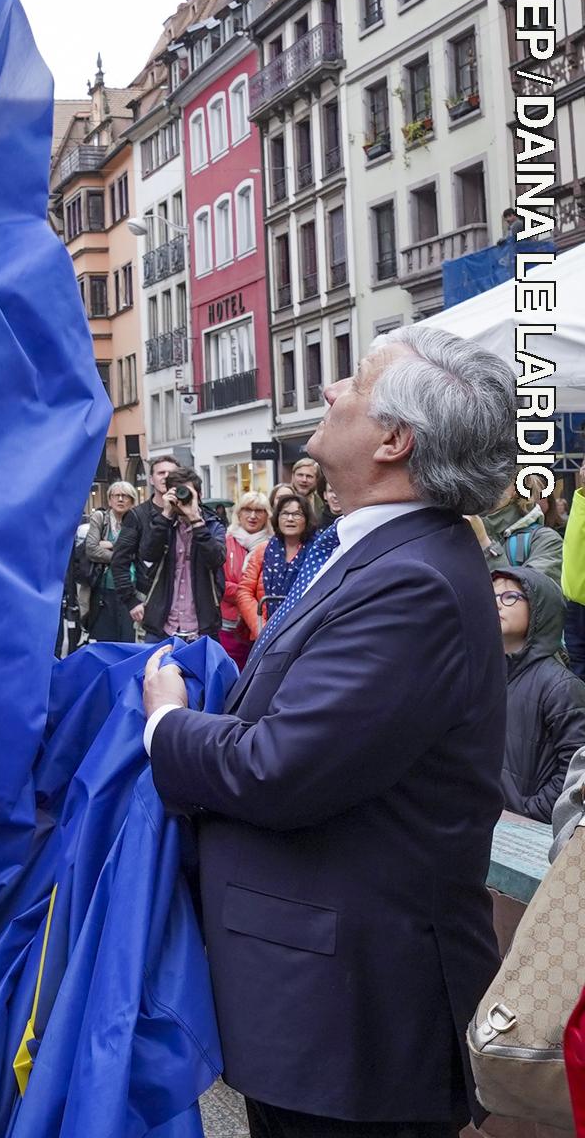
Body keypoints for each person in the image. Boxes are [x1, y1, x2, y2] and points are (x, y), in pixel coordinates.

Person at [143, 324, 514, 1136]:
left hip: (353, 1022)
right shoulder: (391, 555)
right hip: (328, 1006)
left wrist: (165, 722)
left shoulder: (411, 580)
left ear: (394, 440)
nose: (330, 390)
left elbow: (280, 766)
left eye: (353, 380)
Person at [494, 566, 585, 823]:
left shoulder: (561, 685)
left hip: (525, 827)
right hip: (477, 817)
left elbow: (575, 765)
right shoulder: (480, 670)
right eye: (491, 596)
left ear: (539, 608)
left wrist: (531, 810)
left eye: (510, 596)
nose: (497, 604)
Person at [110, 466, 225, 645]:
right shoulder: (162, 524)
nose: (182, 498)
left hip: (201, 627)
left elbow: (216, 559)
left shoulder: (212, 526)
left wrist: (195, 520)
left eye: (188, 493)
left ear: (199, 495)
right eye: (178, 492)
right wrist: (165, 515)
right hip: (162, 627)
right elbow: (148, 554)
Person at [237, 487, 318, 641]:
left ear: (307, 519)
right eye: (285, 513)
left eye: (297, 514)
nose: (290, 519)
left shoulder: (317, 552)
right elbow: (244, 591)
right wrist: (261, 626)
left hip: (304, 634)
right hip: (264, 633)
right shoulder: (263, 550)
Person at [218, 492, 271, 669]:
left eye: (259, 510)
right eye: (247, 510)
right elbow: (220, 583)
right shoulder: (225, 542)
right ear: (238, 513)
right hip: (230, 625)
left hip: (262, 626)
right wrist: (247, 593)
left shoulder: (274, 545)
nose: (253, 516)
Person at [82, 481, 138, 643]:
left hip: (130, 589)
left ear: (132, 500)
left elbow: (141, 551)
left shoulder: (138, 520)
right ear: (110, 499)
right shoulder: (100, 518)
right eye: (116, 495)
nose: (120, 499)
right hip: (103, 588)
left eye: (125, 496)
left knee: (127, 638)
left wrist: (111, 546)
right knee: (105, 639)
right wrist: (123, 555)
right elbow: (91, 549)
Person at [479, 485, 563, 584]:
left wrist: (485, 543)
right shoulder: (459, 531)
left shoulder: (545, 540)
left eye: (500, 476)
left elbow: (518, 596)